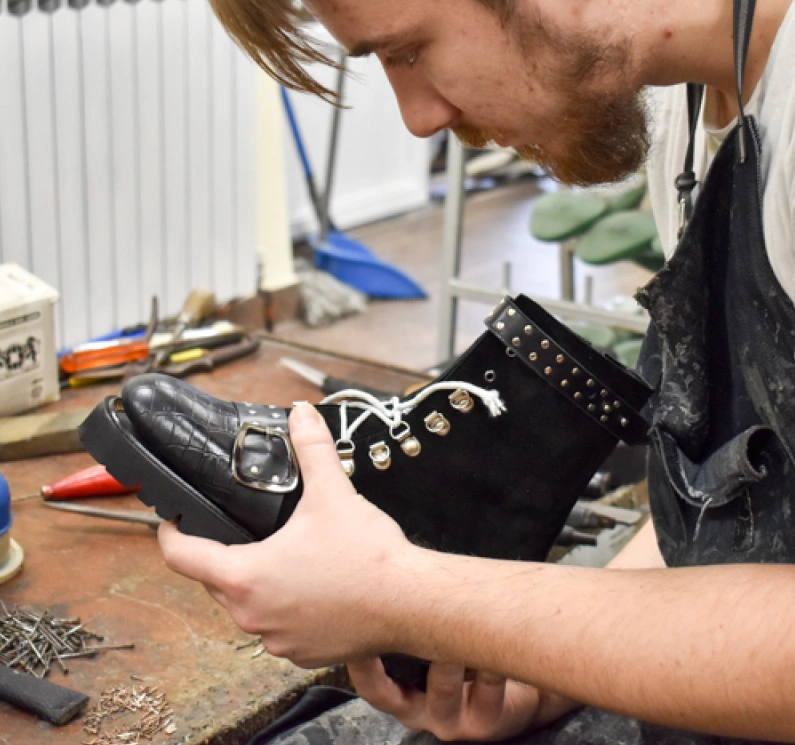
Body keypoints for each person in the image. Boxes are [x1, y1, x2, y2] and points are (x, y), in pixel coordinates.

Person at [156, 0, 795, 742]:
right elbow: (734, 508)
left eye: (406, 52)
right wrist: (551, 663)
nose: (420, 120)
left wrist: (414, 598)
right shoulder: (697, 114)